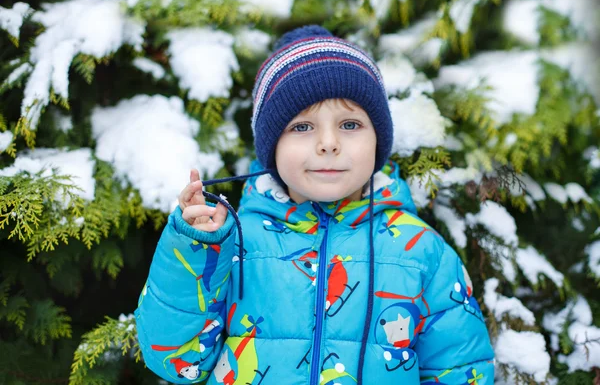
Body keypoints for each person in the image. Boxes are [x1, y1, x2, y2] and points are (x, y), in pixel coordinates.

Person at [134, 25, 495, 385]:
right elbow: (176, 361)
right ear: (272, 147)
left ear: (378, 141)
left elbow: (462, 372)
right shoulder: (237, 245)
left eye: (350, 124)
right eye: (302, 127)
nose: (328, 143)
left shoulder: (422, 252)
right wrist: (196, 252)